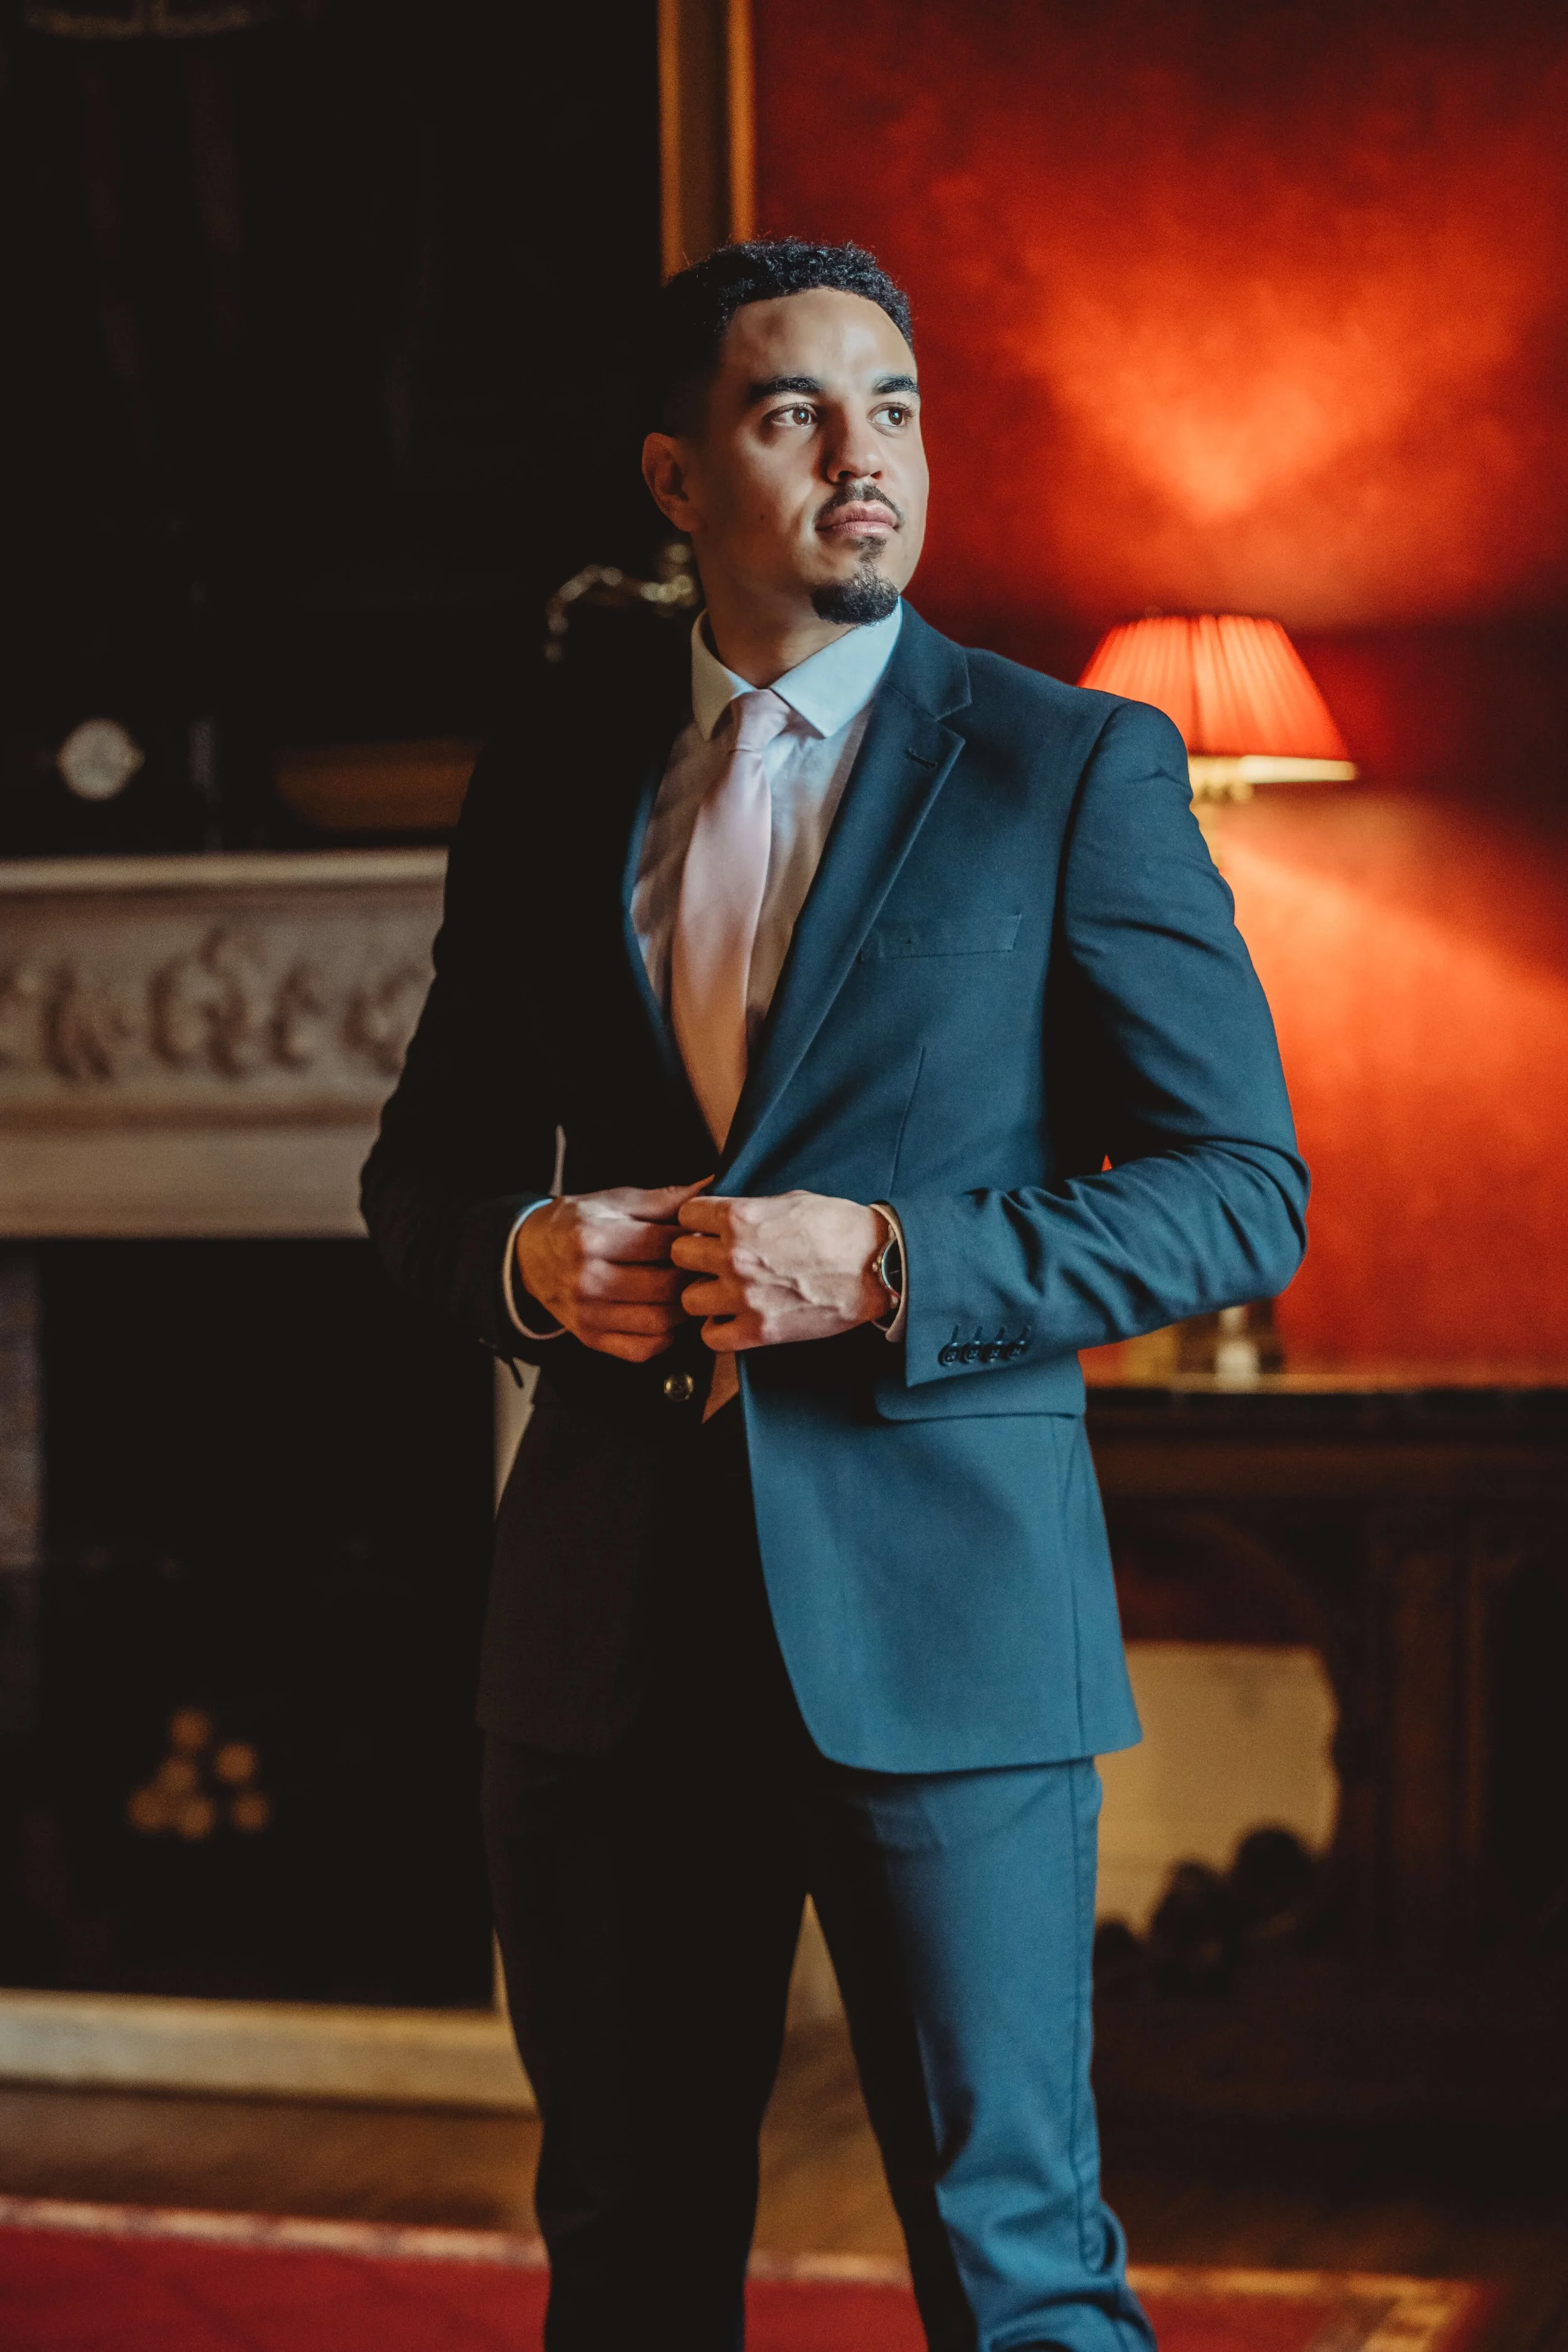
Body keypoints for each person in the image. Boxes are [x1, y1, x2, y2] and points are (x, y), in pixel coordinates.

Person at [361, 238, 1308, 2352]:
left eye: (893, 410)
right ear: (677, 479)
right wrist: (523, 1262)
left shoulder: (1070, 768)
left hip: (947, 1640)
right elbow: (420, 1173)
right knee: (624, 2250)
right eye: (793, 410)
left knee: (1020, 2262)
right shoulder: (549, 774)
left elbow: (1241, 1194)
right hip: (605, 1647)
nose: (862, 457)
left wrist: (889, 1259)